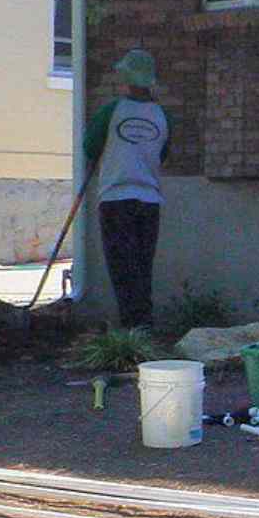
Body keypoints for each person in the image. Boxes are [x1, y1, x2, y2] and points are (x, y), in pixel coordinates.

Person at [83, 48, 171, 328]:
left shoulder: (112, 111)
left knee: (122, 267)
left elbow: (90, 146)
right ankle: (144, 325)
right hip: (149, 200)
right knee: (143, 265)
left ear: (127, 78)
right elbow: (163, 153)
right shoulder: (162, 115)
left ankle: (131, 328)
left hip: (116, 198)